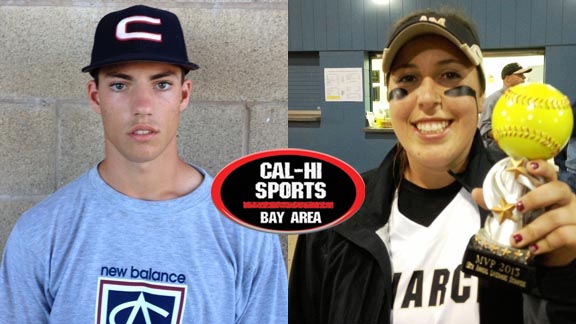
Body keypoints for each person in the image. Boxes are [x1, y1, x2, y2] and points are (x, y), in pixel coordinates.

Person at [0, 5, 287, 323]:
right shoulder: (41, 232)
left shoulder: (245, 233)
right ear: (96, 97)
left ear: (184, 94)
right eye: (120, 86)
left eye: (161, 84)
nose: (142, 107)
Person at [289, 8, 576, 324]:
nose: (426, 98)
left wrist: (567, 274)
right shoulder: (337, 216)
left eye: (450, 75)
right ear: (390, 99)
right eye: (407, 79)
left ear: (481, 97)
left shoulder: (528, 206)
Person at [479, 62, 532, 151]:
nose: (524, 77)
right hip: (498, 154)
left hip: (521, 151)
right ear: (507, 79)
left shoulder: (524, 100)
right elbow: (484, 128)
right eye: (520, 75)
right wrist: (509, 136)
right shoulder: (494, 99)